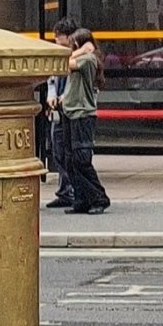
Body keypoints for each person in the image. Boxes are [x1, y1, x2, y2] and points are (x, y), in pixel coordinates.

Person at [62, 27, 110, 215]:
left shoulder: (88, 59)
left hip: (82, 113)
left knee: (81, 159)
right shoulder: (81, 57)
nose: (70, 45)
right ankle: (82, 198)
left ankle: (99, 197)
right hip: (70, 111)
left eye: (73, 42)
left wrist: (82, 50)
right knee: (69, 160)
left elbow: (64, 64)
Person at [45, 16, 79, 209]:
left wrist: (64, 96)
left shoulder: (77, 57)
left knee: (69, 151)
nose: (56, 39)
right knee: (58, 151)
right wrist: (52, 96)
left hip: (71, 109)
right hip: (57, 109)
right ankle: (65, 190)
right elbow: (52, 79)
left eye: (59, 36)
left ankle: (72, 189)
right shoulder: (57, 56)